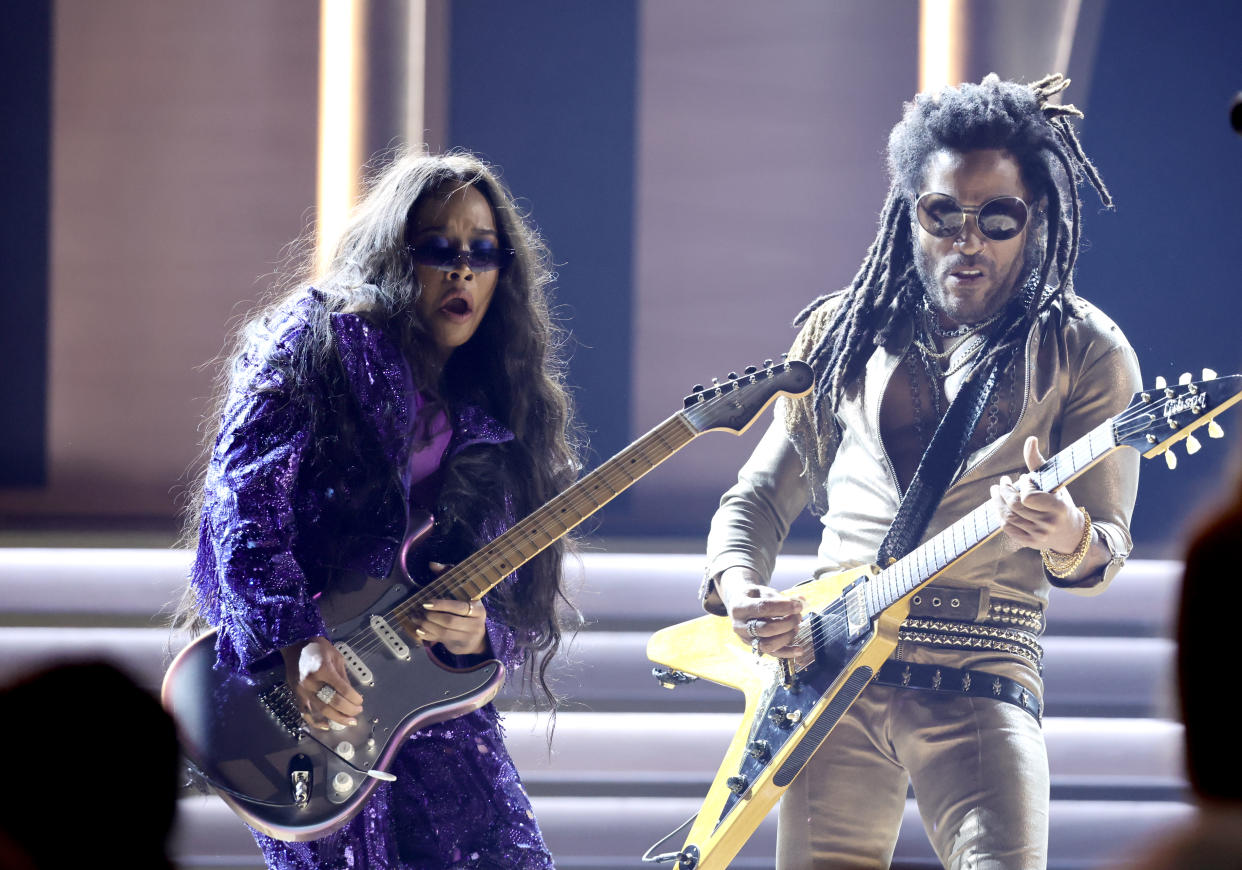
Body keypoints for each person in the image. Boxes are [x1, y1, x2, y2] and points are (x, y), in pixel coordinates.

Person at [701, 74, 1141, 869]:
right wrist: (740, 590)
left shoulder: (1088, 351)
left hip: (983, 674)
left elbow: (1107, 547)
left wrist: (1067, 533)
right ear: (912, 212)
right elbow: (758, 500)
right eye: (944, 214)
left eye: (996, 219)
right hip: (830, 674)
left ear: (1032, 220)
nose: (968, 241)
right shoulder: (843, 331)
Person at [178, 151, 580, 869]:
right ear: (395, 254)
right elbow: (243, 505)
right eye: (439, 248)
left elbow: (510, 593)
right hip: (302, 689)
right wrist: (294, 641)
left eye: (483, 252)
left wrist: (476, 633)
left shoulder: (501, 397)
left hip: (428, 701)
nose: (462, 271)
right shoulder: (315, 338)